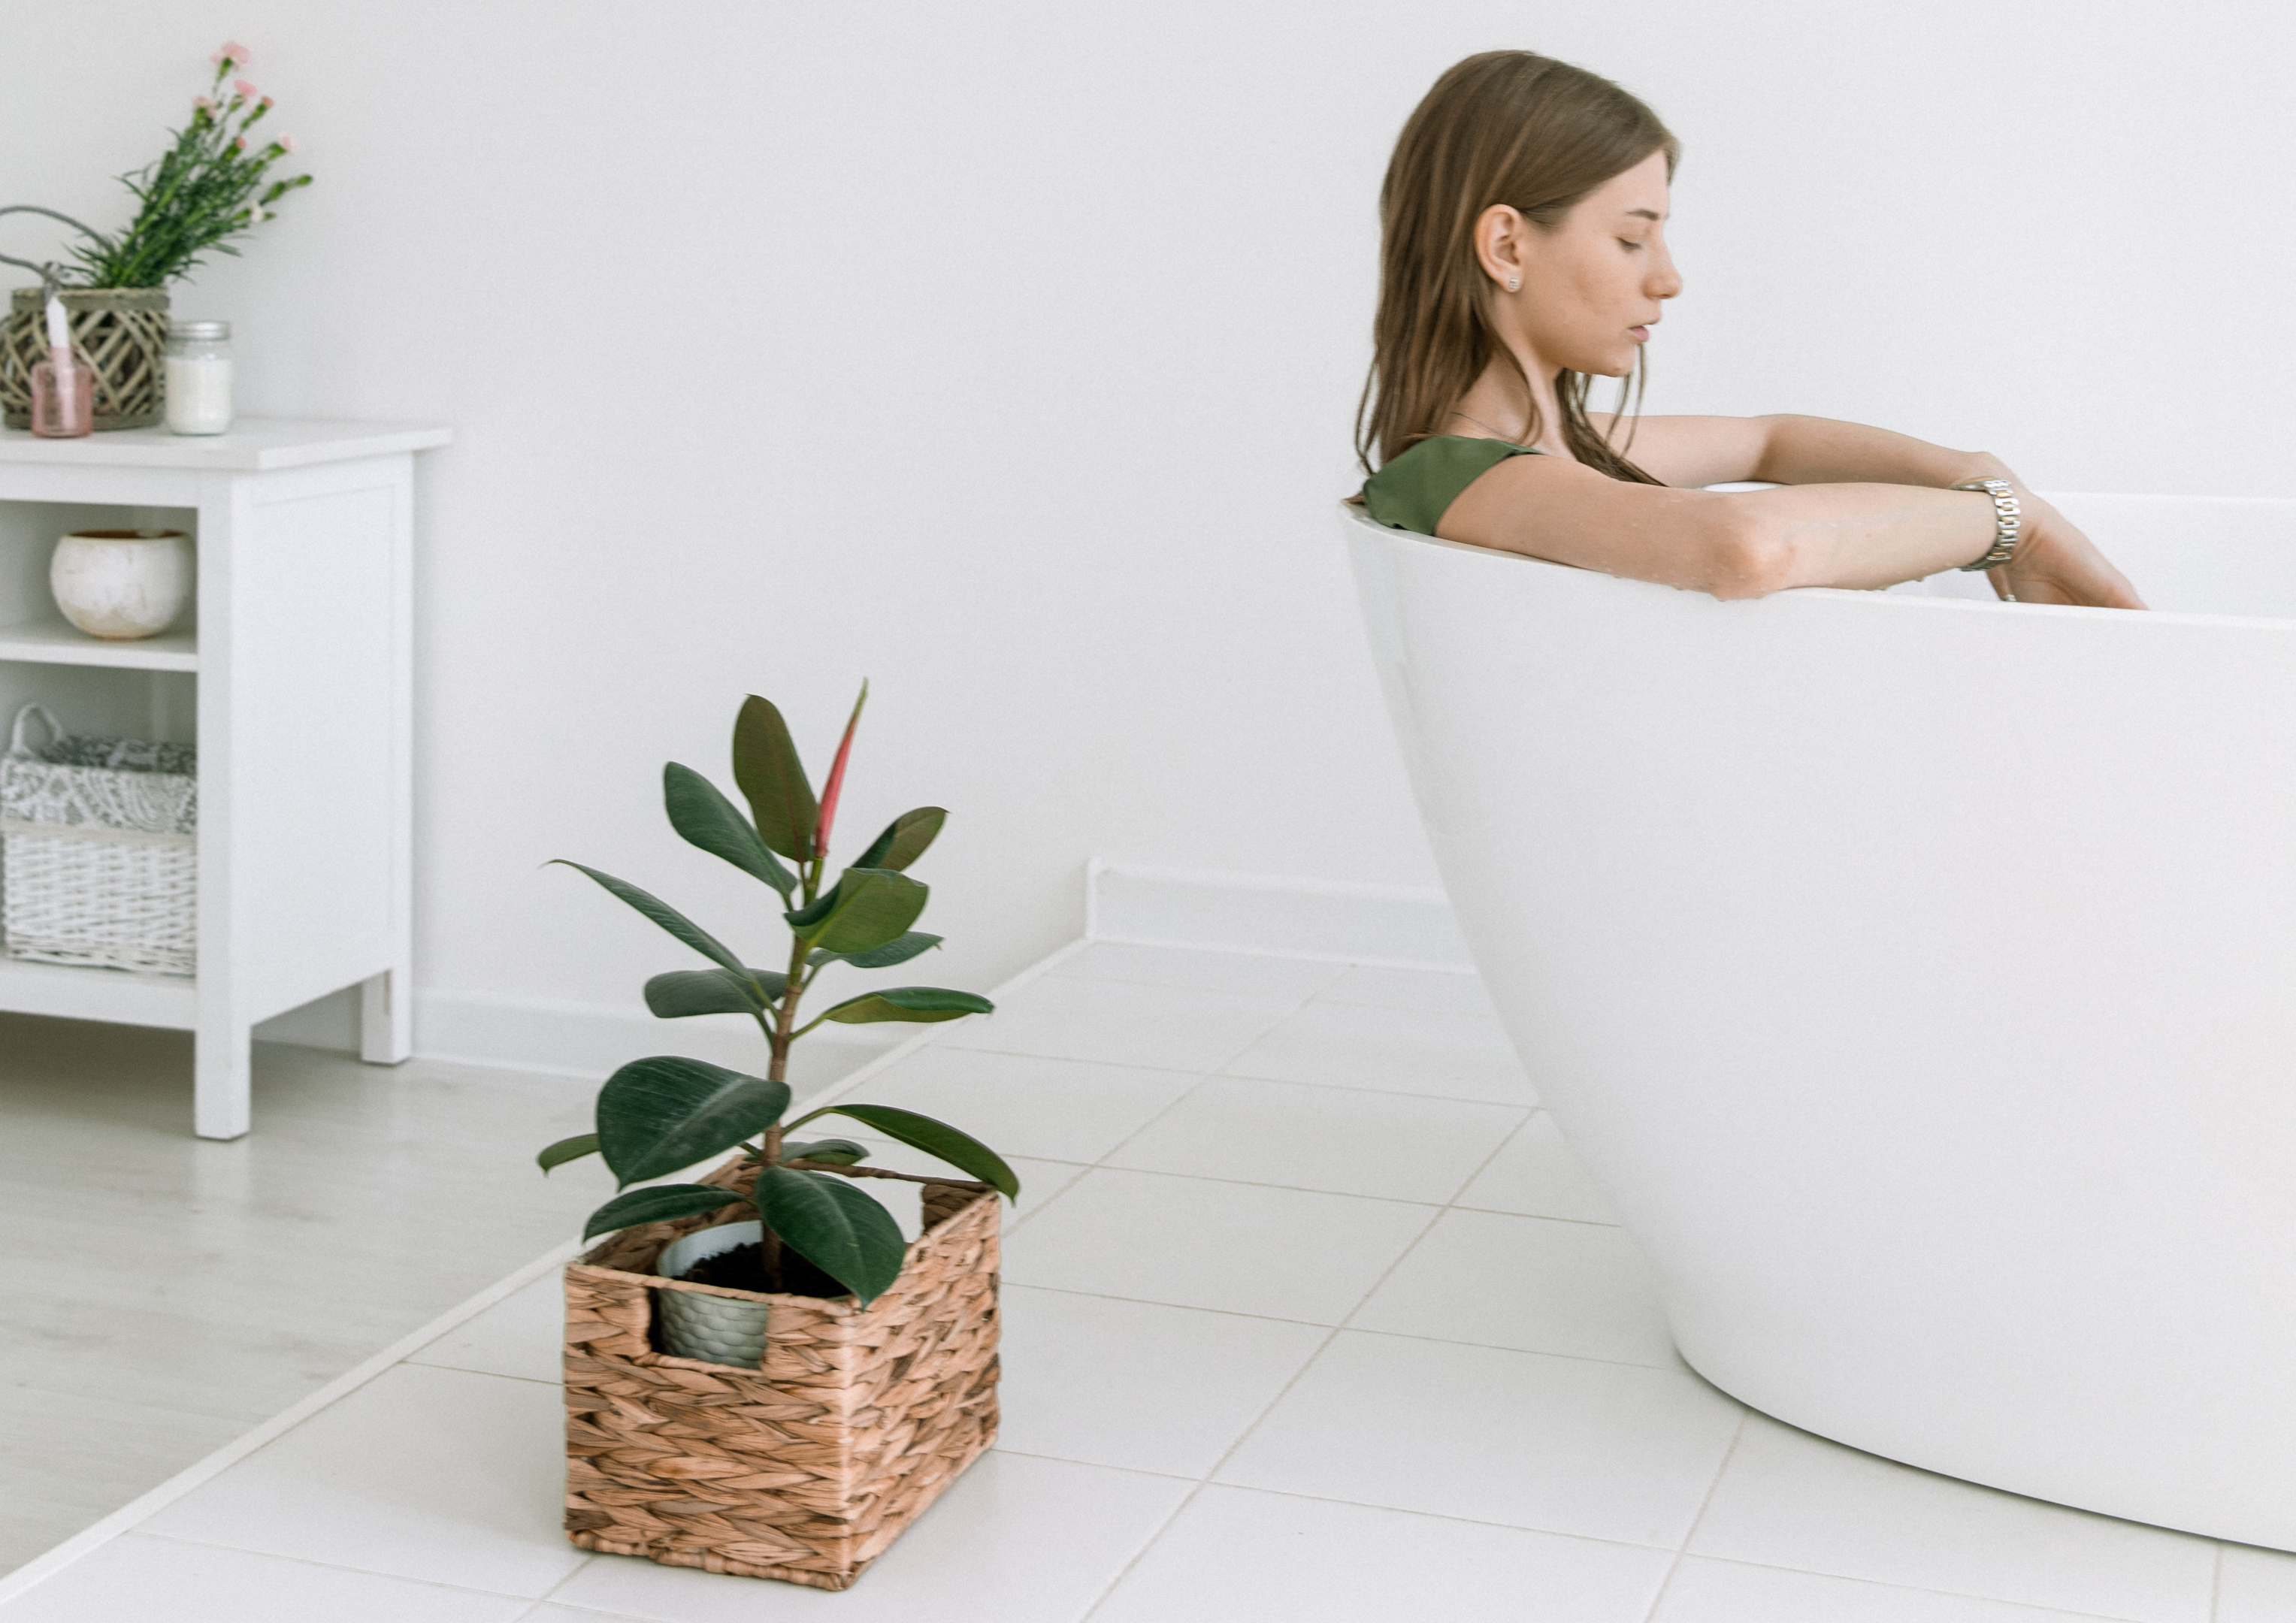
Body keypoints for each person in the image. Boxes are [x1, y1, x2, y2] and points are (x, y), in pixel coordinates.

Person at [1357, 51, 2145, 609]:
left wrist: (1975, 473)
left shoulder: (1562, 448)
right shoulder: (1461, 476)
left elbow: (1771, 440)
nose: (1667, 278)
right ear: (1506, 246)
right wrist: (2009, 525)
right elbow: (1749, 546)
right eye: (1631, 239)